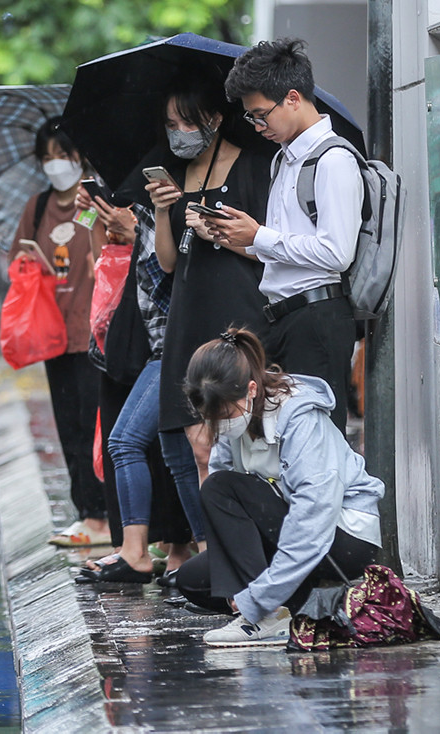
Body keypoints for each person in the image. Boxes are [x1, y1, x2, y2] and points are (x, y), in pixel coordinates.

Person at [175, 328, 383, 647]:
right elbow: (226, 516)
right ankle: (296, 603)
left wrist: (258, 598)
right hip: (285, 527)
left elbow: (312, 520)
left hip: (343, 536)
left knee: (219, 488)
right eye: (211, 418)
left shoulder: (300, 417)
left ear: (251, 389)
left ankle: (267, 616)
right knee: (193, 580)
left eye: (226, 414)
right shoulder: (232, 419)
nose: (221, 424)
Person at [209, 38, 361, 432]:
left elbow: (337, 253)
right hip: (284, 317)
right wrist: (238, 237)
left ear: (293, 98)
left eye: (262, 115)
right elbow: (282, 248)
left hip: (317, 317)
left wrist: (259, 235)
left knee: (317, 441)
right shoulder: (283, 158)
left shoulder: (334, 159)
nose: (259, 127)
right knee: (286, 440)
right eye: (252, 118)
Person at [145, 69, 271, 487]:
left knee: (249, 444)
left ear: (215, 119)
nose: (179, 133)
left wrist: (216, 233)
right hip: (189, 318)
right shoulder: (175, 174)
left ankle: (248, 526)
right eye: (171, 124)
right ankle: (211, 529)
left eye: (188, 122)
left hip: (239, 317)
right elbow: (167, 262)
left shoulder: (253, 166)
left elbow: (268, 249)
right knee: (201, 448)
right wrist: (162, 209)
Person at [76, 184, 205, 584]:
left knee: (126, 441)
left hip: (173, 344)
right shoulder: (140, 204)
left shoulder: (162, 203)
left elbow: (168, 270)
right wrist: (97, 221)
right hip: (149, 341)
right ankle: (206, 555)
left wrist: (135, 230)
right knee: (179, 454)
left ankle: (144, 553)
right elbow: (102, 261)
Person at [11, 117, 109, 547]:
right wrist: (32, 266)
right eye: (46, 157)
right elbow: (17, 263)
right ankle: (86, 514)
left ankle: (104, 516)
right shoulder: (36, 208)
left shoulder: (98, 199)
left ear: (79, 156)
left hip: (94, 331)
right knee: (67, 425)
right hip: (53, 333)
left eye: (62, 155)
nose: (55, 164)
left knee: (95, 425)